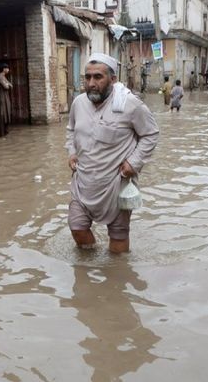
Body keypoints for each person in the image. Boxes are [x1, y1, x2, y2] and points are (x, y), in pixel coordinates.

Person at [66, 53, 159, 253]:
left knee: (118, 240)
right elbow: (71, 130)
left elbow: (150, 134)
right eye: (87, 77)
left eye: (98, 77)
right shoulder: (78, 103)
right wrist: (72, 151)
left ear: (113, 79)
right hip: (83, 183)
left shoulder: (130, 105)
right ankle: (91, 268)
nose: (91, 83)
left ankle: (116, 278)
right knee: (77, 229)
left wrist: (134, 163)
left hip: (116, 184)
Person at [0, 62, 13, 137]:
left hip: (6, 95)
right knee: (2, 113)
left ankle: (6, 130)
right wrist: (7, 85)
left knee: (7, 111)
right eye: (7, 68)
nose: (8, 69)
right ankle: (1, 132)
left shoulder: (4, 77)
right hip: (1, 96)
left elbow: (11, 85)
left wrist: (7, 84)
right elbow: (6, 87)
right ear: (4, 69)